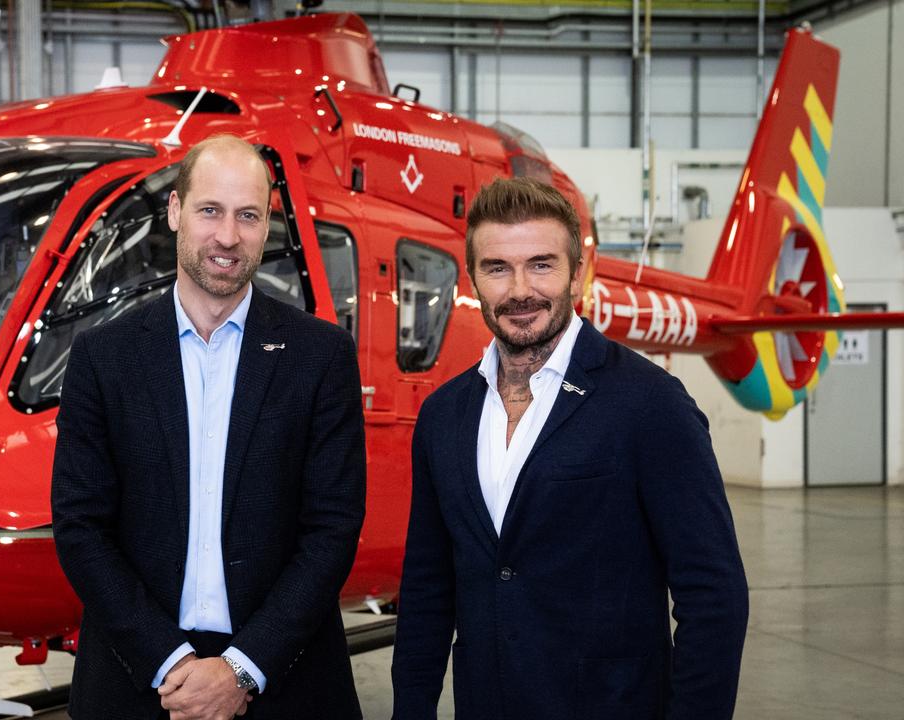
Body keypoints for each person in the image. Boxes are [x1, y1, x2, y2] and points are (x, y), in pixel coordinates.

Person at [391, 177, 748, 719]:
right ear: (473, 279)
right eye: (497, 268)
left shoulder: (650, 404)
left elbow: (714, 595)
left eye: (541, 264)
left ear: (576, 274)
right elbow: (426, 589)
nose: (519, 291)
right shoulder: (444, 415)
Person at [52, 134, 366, 720]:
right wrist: (169, 662)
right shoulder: (104, 356)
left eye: (248, 215)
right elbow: (79, 527)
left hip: (285, 682)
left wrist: (243, 669)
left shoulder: (320, 355)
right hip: (136, 683)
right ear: (174, 211)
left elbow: (333, 529)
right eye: (209, 211)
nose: (228, 236)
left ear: (268, 223)